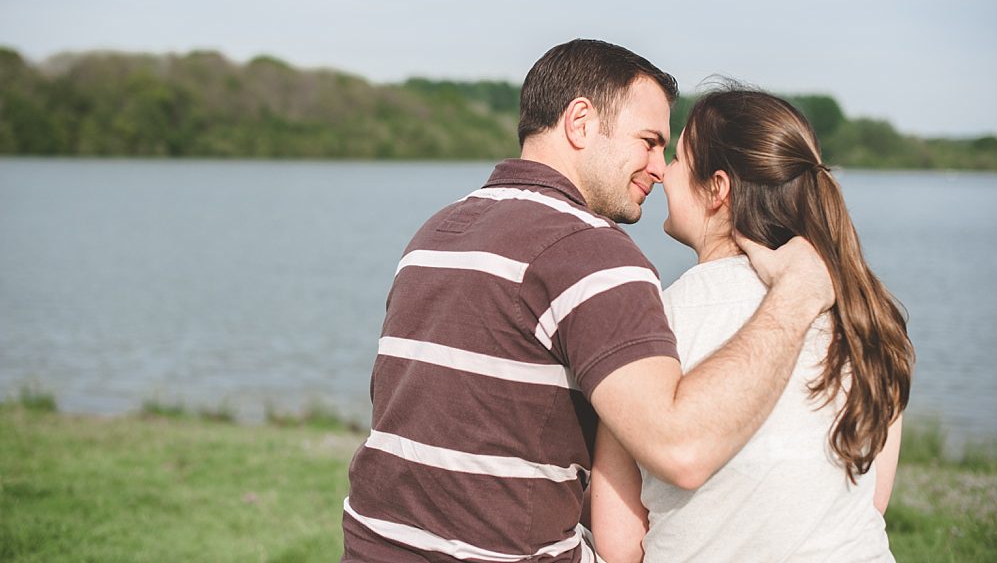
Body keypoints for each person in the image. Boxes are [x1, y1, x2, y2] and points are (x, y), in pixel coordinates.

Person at [341, 41, 835, 563]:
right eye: (648, 142)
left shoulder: (435, 235)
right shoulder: (591, 252)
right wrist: (797, 296)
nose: (660, 168)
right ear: (580, 122)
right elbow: (682, 451)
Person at [590, 86, 915, 563]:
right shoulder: (866, 314)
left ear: (718, 188)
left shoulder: (654, 317)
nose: (662, 173)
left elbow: (619, 546)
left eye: (678, 158)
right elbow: (871, 500)